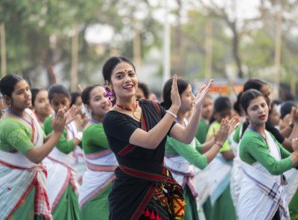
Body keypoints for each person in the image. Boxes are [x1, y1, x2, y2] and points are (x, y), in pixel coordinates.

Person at [102, 56, 213, 219]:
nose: (127, 79)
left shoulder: (151, 107)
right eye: (119, 76)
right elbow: (150, 141)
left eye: (131, 74)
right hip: (129, 197)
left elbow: (185, 136)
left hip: (158, 193)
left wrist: (197, 108)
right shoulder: (112, 119)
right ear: (109, 85)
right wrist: (174, 107)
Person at [0, 74, 67, 219]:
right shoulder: (10, 124)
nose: (27, 94)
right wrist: (57, 133)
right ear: (7, 99)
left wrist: (60, 127)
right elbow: (36, 156)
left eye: (27, 89)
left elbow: (42, 142)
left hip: (30, 185)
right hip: (12, 193)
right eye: (20, 92)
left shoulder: (28, 114)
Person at [161, 78, 239, 220]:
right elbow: (200, 161)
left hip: (183, 186)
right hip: (176, 189)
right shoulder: (172, 127)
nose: (193, 98)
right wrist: (219, 143)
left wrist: (220, 136)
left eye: (193, 93)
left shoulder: (183, 122)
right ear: (175, 98)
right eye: (188, 94)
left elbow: (199, 148)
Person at [237, 89, 298, 220]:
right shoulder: (250, 139)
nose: (261, 110)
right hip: (256, 201)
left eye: (263, 105)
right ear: (245, 113)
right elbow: (275, 167)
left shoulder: (268, 135)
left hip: (271, 200)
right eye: (254, 108)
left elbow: (291, 158)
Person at [43, 84, 81, 219]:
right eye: (56, 103)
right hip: (55, 172)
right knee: (58, 211)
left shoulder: (71, 121)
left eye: (64, 102)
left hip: (67, 170)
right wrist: (80, 135)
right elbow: (65, 148)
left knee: (70, 209)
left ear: (69, 100)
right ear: (50, 103)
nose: (60, 107)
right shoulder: (50, 122)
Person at [78, 84, 117, 220]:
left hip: (112, 192)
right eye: (97, 98)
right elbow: (125, 143)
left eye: (106, 96)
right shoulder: (93, 130)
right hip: (96, 195)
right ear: (88, 106)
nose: (105, 100)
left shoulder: (107, 124)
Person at [205, 96, 236, 220]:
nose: (227, 118)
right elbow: (227, 155)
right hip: (222, 176)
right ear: (216, 115)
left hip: (229, 175)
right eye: (223, 115)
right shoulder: (217, 127)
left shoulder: (228, 127)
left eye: (229, 113)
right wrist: (243, 151)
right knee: (225, 209)